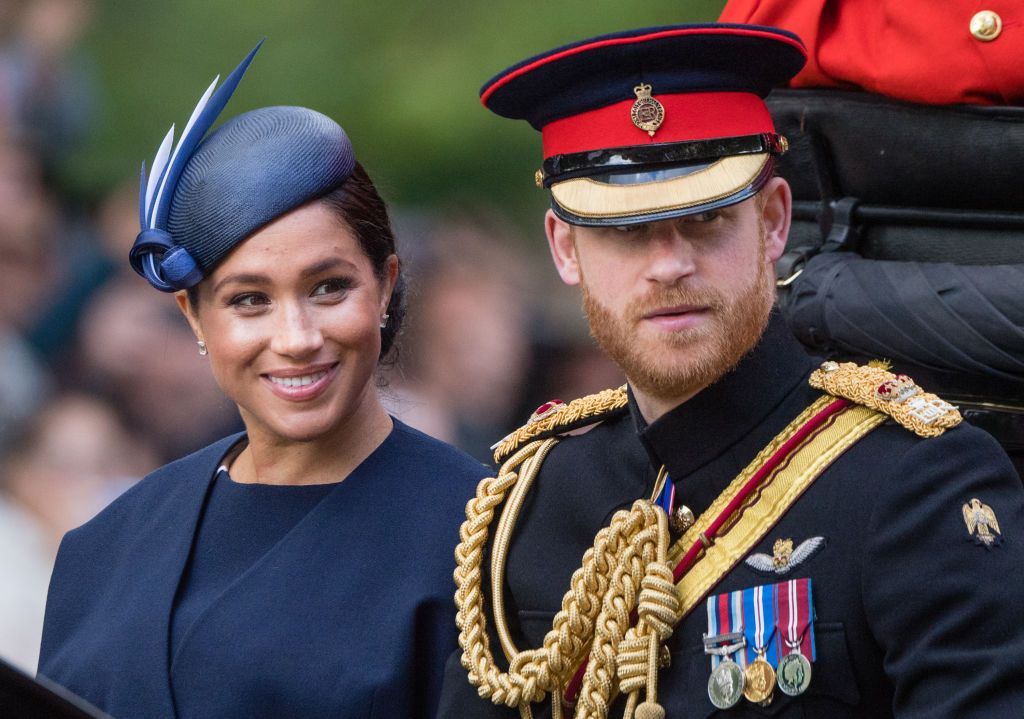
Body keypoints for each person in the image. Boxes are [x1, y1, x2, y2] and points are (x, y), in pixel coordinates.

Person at [438, 23, 1024, 718]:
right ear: (565, 249)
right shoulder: (527, 505)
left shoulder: (919, 484)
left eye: (708, 220)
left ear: (774, 223)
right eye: (626, 232)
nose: (670, 265)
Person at [37, 43, 485, 719]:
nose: (297, 337)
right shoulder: (105, 548)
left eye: (329, 287)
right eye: (249, 299)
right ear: (193, 315)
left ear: (385, 285)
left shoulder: (481, 540)